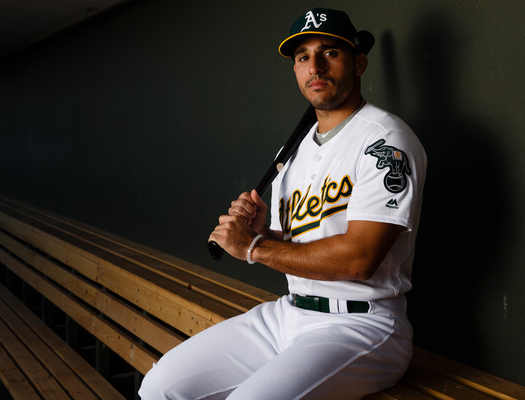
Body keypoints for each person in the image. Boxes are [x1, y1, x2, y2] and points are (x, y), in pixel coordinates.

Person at [138, 7, 426, 400]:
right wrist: (265, 233)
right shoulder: (292, 152)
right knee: (160, 387)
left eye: (330, 53)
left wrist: (254, 247)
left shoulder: (386, 141)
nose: (315, 67)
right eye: (303, 57)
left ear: (359, 63)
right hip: (288, 313)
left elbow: (359, 259)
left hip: (361, 325)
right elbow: (302, 246)